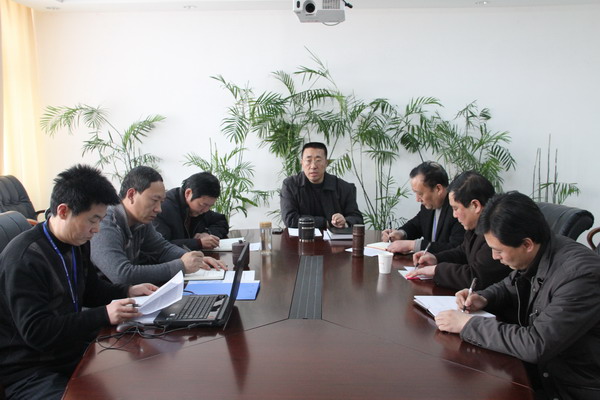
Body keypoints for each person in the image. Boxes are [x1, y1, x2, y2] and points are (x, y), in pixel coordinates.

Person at [0, 165, 157, 400]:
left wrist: (128, 290)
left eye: (100, 220)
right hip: (31, 369)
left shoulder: (77, 242)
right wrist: (104, 315)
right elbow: (37, 331)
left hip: (69, 351)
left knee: (142, 376)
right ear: (63, 211)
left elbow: (90, 290)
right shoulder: (24, 259)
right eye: (93, 220)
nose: (97, 230)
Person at [435, 192, 600, 400]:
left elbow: (536, 343)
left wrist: (467, 325)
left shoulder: (580, 275)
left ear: (527, 244)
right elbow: (509, 285)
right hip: (542, 373)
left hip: (571, 388)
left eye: (498, 250)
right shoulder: (542, 250)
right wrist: (483, 298)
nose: (494, 257)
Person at [91, 166, 225, 286]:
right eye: (154, 200)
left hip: (129, 295)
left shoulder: (141, 221)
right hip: (105, 302)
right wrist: (181, 265)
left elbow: (162, 249)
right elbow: (122, 275)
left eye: (161, 202)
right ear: (131, 195)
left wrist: (195, 259)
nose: (159, 209)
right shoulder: (105, 222)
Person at [406, 171, 511, 290]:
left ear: (475, 205)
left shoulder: (495, 232)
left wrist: (437, 270)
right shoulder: (475, 226)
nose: (454, 215)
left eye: (456, 208)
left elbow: (476, 277)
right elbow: (463, 252)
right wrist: (436, 258)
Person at [382, 161, 465, 254]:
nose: (417, 199)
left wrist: (413, 245)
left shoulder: (457, 210)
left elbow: (456, 248)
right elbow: (416, 225)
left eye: (420, 194)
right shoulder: (429, 205)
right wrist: (401, 233)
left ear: (438, 189)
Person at [280, 142, 364, 229]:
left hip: (334, 237)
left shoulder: (344, 188)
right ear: (302, 162)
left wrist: (345, 222)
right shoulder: (290, 185)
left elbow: (357, 218)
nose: (313, 166)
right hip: (300, 237)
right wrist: (325, 223)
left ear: (326, 163)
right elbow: (290, 219)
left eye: (318, 160)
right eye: (308, 160)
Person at [153, 172, 229, 250]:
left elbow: (221, 221)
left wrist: (207, 233)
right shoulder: (163, 209)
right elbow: (161, 245)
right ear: (188, 193)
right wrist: (198, 243)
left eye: (210, 206)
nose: (206, 210)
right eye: (203, 205)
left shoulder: (200, 209)